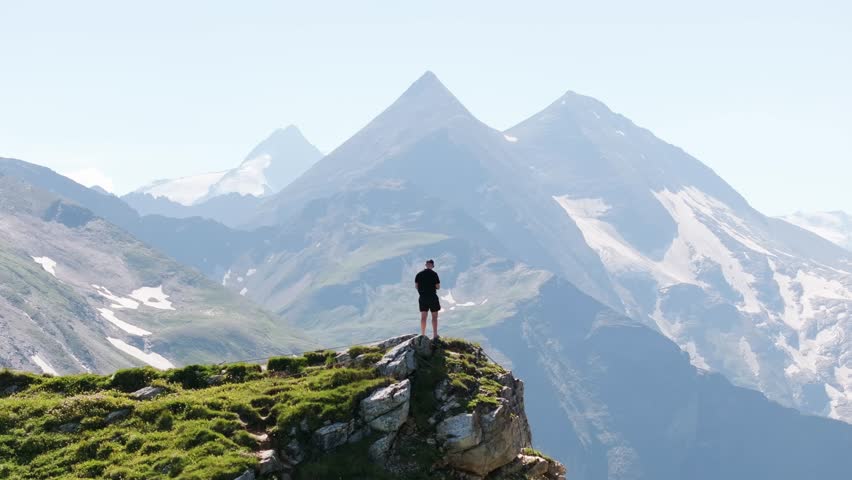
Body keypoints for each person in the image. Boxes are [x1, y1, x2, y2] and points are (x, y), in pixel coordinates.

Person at [414, 259, 441, 340]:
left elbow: (416, 286)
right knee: (434, 317)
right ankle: (435, 335)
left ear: (425, 265)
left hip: (423, 297)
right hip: (432, 297)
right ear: (432, 266)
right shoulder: (434, 274)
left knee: (423, 317)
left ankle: (422, 334)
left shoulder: (419, 274)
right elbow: (438, 287)